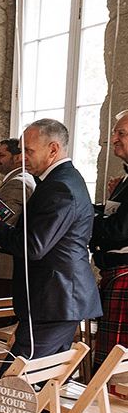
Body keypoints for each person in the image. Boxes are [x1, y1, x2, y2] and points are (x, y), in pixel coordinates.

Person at [0, 119, 102, 365]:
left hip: (54, 298)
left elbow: (34, 246)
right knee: (40, 380)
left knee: (16, 384)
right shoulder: (60, 180)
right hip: (56, 298)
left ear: (53, 149)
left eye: (29, 150)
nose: (21, 158)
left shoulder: (60, 187)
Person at [91, 110, 128, 369]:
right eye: (115, 132)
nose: (113, 138)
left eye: (121, 133)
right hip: (115, 272)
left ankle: (111, 410)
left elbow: (118, 230)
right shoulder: (125, 178)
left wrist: (80, 218)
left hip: (124, 274)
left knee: (113, 369)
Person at [0, 138, 36, 300]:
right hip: (2, 268)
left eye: (1, 155)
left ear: (17, 157)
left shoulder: (17, 184)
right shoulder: (13, 181)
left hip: (3, 268)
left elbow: (4, 225)